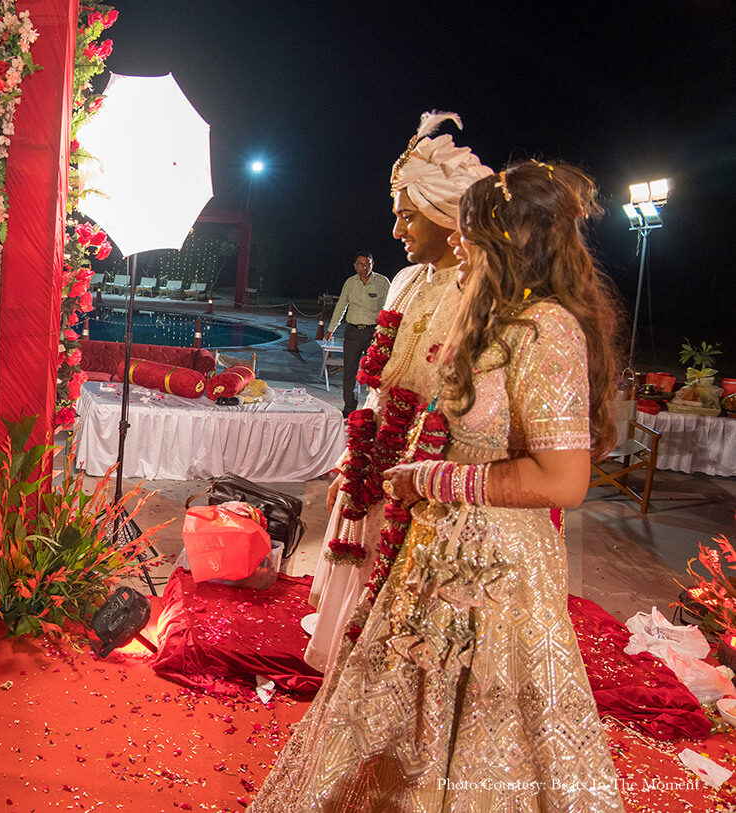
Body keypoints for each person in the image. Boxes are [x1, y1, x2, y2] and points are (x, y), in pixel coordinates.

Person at [250, 160, 623, 810]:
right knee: (393, 732)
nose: (460, 244)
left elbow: (565, 479)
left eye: (473, 232)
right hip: (433, 559)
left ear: (517, 240)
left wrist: (438, 477)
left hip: (500, 577)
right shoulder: (493, 316)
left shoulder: (551, 331)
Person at [303, 113, 491, 677]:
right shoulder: (405, 280)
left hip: (435, 476)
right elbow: (382, 383)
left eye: (408, 217)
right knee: (359, 572)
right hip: (379, 457)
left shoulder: (485, 294)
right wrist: (355, 447)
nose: (396, 232)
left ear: (449, 215)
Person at [324, 252, 390, 413]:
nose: (364, 267)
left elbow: (388, 307)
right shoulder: (350, 283)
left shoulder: (382, 282)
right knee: (350, 371)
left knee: (376, 371)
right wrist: (331, 329)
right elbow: (341, 306)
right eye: (360, 264)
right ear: (355, 266)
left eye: (367, 264)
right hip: (353, 332)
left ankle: (375, 407)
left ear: (372, 264)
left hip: (373, 333)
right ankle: (349, 408)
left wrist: (387, 333)